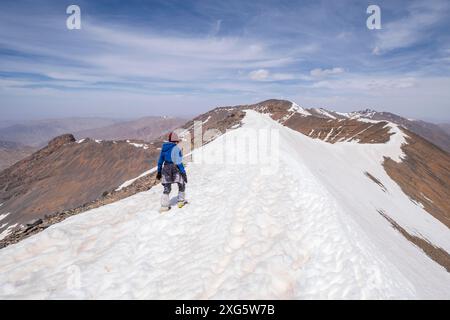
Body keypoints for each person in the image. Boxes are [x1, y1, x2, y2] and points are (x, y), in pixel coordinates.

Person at [156, 131, 188, 211]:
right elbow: (179, 162)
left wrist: (159, 172)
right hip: (175, 168)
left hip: (166, 168)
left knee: (167, 187)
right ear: (176, 141)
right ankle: (181, 201)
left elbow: (160, 161)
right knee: (181, 184)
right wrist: (183, 173)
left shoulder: (164, 148)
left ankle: (164, 206)